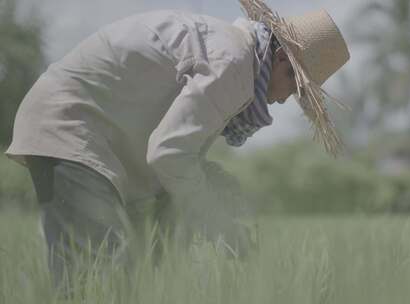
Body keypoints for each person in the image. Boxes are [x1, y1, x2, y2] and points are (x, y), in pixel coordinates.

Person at [5, 0, 350, 288]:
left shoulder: (235, 54)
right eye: (298, 90)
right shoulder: (234, 63)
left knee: (128, 277)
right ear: (282, 63)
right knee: (97, 279)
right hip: (71, 125)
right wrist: (220, 225)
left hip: (95, 136)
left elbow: (175, 155)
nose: (287, 99)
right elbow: (170, 155)